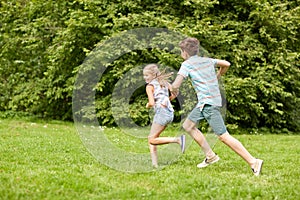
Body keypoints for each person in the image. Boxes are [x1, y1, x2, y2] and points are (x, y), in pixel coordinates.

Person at [171, 37, 263, 176]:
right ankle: (210, 156)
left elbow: (175, 85)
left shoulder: (187, 64)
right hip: (206, 102)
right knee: (188, 125)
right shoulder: (207, 61)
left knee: (223, 136)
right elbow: (226, 63)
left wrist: (168, 87)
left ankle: (253, 161)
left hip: (208, 103)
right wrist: (217, 75)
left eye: (181, 51)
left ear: (184, 52)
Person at [143, 64, 185, 168]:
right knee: (153, 137)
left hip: (161, 113)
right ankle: (154, 164)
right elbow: (175, 92)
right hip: (169, 112)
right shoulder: (164, 83)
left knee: (152, 139)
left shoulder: (149, 86)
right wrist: (167, 99)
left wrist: (147, 105)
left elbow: (151, 103)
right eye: (144, 75)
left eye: (147, 75)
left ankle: (178, 140)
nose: (145, 78)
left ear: (153, 75)